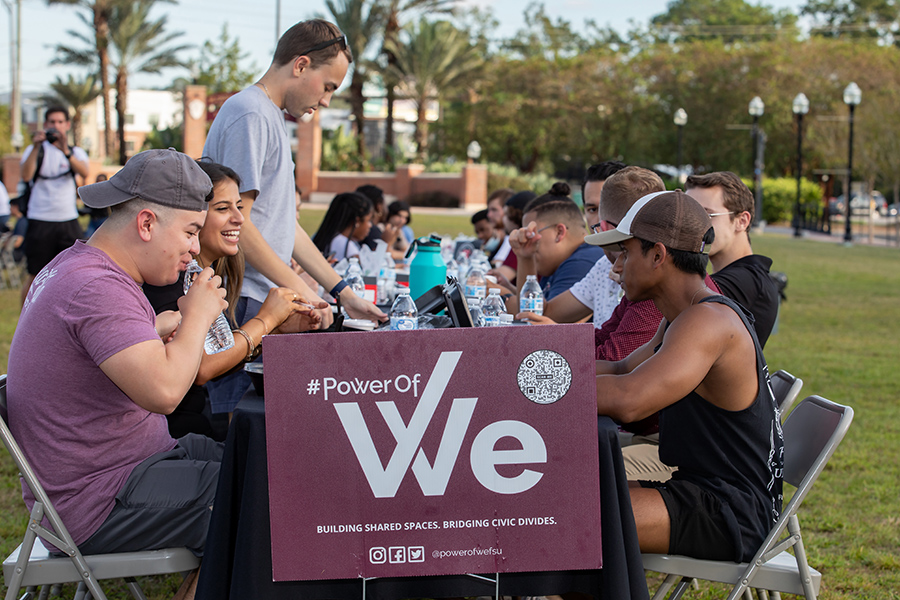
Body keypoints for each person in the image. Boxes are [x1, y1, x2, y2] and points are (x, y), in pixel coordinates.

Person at [6, 149, 231, 599]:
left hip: (118, 474)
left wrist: (156, 327)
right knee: (255, 496)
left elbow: (89, 349)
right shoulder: (97, 287)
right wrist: (197, 318)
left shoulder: (75, 266)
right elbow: (166, 392)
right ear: (146, 224)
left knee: (251, 458)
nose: (194, 249)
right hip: (100, 501)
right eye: (189, 232)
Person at [590, 190, 784, 563]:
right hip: (700, 492)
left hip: (730, 513)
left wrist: (532, 391)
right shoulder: (684, 316)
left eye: (625, 253)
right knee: (564, 499)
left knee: (567, 512)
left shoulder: (708, 322)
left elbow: (630, 400)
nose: (616, 267)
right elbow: (620, 368)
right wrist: (531, 367)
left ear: (658, 255)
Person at [203, 19, 384, 412]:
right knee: (242, 436)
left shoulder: (266, 116)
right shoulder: (250, 114)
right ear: (301, 65)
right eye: (328, 87)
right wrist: (300, 292)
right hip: (244, 303)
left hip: (264, 297)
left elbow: (285, 226)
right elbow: (237, 227)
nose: (326, 102)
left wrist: (342, 293)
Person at [144, 161, 319, 438]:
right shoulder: (172, 278)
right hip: (171, 441)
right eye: (223, 208)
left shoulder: (204, 275)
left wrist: (273, 330)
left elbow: (217, 356)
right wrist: (265, 320)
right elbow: (203, 368)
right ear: (194, 217)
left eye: (240, 207)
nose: (239, 219)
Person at [516, 161, 627, 327]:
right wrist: (525, 257)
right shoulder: (602, 266)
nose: (600, 219)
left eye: (608, 207)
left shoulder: (647, 266)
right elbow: (541, 315)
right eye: (592, 209)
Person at [686, 172, 780, 347]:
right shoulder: (748, 276)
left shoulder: (746, 281)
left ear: (741, 221)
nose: (693, 227)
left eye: (707, 215)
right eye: (688, 217)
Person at [19, 106, 89, 306]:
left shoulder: (75, 151)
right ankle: (25, 321)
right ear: (45, 125)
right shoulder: (35, 150)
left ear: (67, 125)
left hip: (67, 218)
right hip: (40, 218)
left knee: (74, 272)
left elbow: (84, 172)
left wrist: (65, 150)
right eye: (52, 122)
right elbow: (25, 175)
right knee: (35, 275)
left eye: (60, 122)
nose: (56, 126)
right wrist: (35, 147)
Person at [505, 182, 604, 309]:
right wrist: (525, 257)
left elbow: (540, 320)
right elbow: (533, 309)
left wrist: (501, 297)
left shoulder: (582, 262)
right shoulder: (556, 263)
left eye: (531, 234)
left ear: (559, 232)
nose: (527, 241)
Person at [311, 191, 374, 261]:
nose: (370, 225)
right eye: (368, 220)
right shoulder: (348, 249)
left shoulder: (318, 236)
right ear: (357, 221)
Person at [486, 187, 514, 265]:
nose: (489, 215)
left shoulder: (512, 239)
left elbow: (495, 266)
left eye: (494, 210)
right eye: (488, 210)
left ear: (507, 210)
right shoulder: (502, 237)